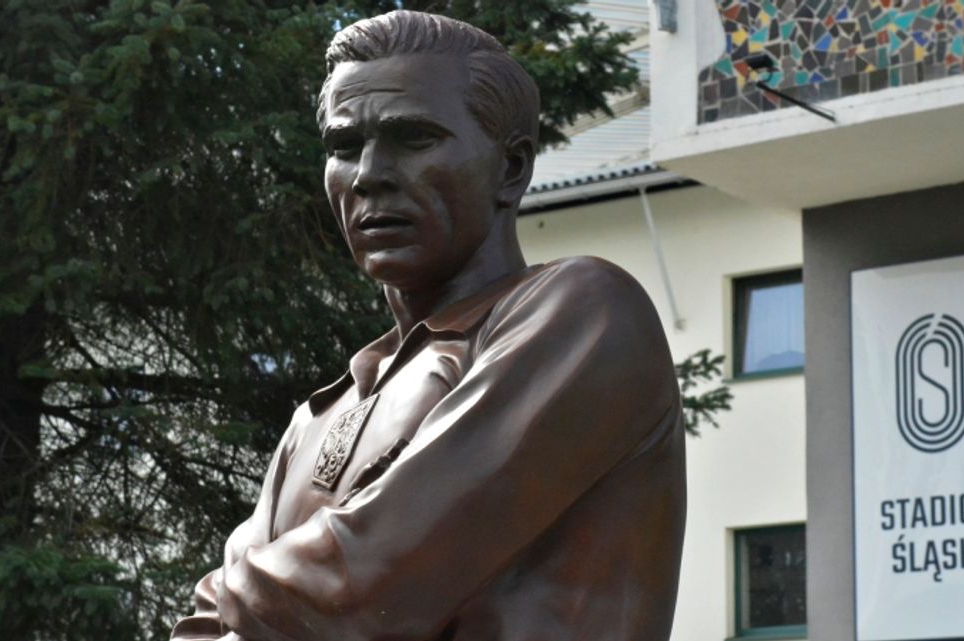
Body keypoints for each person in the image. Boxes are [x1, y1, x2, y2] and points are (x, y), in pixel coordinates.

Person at [171, 11, 686, 641]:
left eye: (412, 139)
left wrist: (244, 591)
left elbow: (360, 586)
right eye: (342, 147)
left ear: (512, 169)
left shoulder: (583, 312)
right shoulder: (318, 416)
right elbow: (203, 627)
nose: (368, 175)